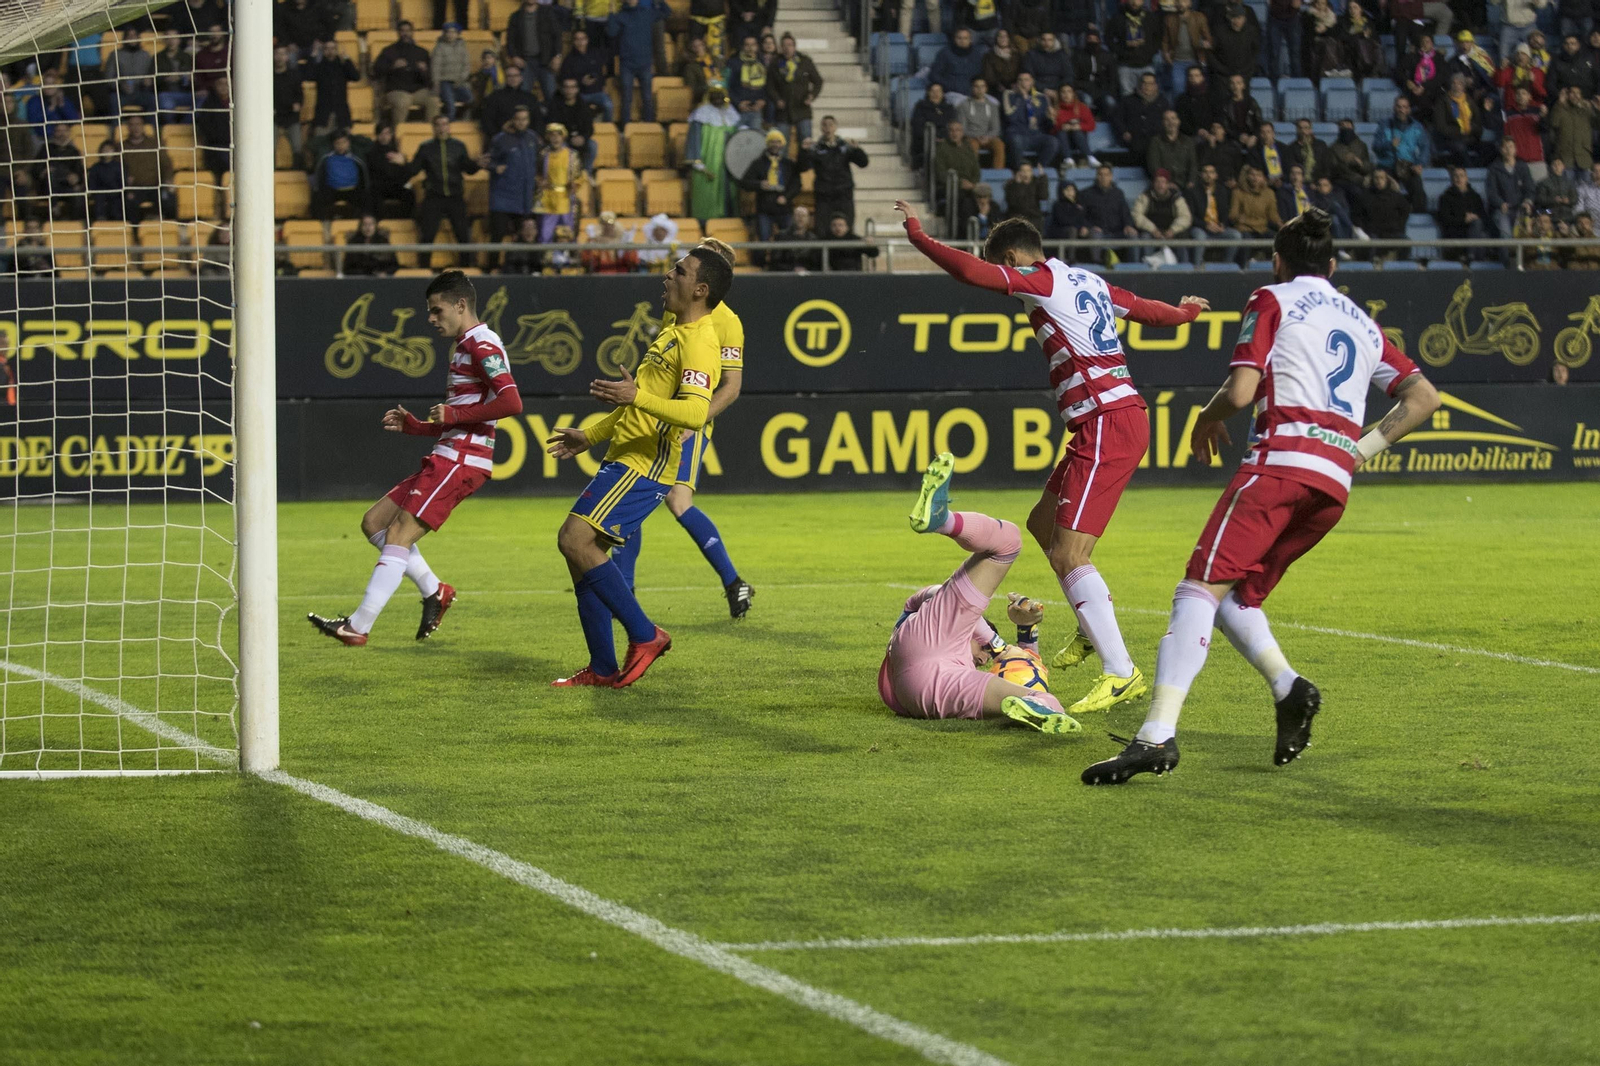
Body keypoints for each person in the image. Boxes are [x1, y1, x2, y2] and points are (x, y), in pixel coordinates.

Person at [1081, 209, 1439, 785]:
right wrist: (1357, 451)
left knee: (1197, 589)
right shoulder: (1365, 325)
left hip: (1278, 468)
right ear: (1334, 264)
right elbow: (1423, 397)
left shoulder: (1271, 298)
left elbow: (1243, 389)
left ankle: (1155, 738)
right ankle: (1289, 689)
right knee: (1237, 597)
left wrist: (1205, 414)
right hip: (1331, 486)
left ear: (1277, 260)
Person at [897, 199, 1209, 716]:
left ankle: (1120, 671)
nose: (1006, 280)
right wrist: (1189, 313)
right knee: (1042, 524)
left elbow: (971, 272)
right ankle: (1092, 626)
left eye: (1007, 267)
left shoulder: (1040, 281)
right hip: (1105, 421)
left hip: (1107, 421)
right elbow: (1155, 313)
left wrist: (918, 236)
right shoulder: (1089, 281)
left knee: (1069, 554)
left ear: (1018, 257)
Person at [545, 249, 735, 686]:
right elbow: (639, 404)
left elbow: (694, 413)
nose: (667, 276)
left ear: (700, 290)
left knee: (573, 539)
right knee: (581, 555)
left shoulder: (701, 341)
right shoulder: (672, 331)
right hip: (626, 455)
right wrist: (590, 436)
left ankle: (646, 635)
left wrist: (636, 398)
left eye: (679, 272)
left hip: (648, 463)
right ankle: (602, 667)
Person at [309, 272, 522, 646]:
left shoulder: (482, 345)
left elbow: (511, 402)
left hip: (462, 460)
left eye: (437, 310)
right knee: (374, 522)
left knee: (398, 533)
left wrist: (452, 417)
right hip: (449, 453)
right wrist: (418, 427)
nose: (431, 318)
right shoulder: (463, 345)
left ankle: (358, 627)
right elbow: (460, 415)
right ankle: (434, 590)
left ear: (460, 305)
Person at [879, 455, 1079, 732]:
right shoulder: (948, 626)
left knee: (1040, 699)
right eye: (983, 650)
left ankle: (945, 521)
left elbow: (1025, 673)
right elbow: (933, 593)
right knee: (1009, 540)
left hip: (921, 688)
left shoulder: (924, 640)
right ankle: (942, 519)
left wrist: (1024, 634)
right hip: (923, 696)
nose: (984, 659)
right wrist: (997, 644)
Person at [611, 238, 756, 613]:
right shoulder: (677, 309)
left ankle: (733, 581)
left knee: (676, 500)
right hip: (655, 417)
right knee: (633, 495)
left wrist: (697, 419)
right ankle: (623, 586)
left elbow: (732, 386)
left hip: (686, 424)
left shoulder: (728, 323)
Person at [407, 114, 483, 268]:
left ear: (449, 127)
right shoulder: (425, 148)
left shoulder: (459, 146)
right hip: (434, 197)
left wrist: (477, 164)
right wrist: (403, 163)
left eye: (445, 124)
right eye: (438, 125)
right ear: (433, 128)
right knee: (427, 236)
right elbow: (413, 169)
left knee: (463, 236)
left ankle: (466, 269)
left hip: (455, 196)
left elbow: (468, 169)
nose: (442, 128)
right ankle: (423, 271)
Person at [488, 105, 542, 269]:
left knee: (527, 237)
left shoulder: (533, 138)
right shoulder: (500, 139)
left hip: (524, 197)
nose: (521, 122)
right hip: (502, 197)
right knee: (497, 236)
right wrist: (494, 167)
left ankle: (526, 269)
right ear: (512, 120)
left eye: (524, 119)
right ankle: (492, 269)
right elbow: (488, 160)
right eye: (518, 119)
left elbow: (539, 161)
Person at [740, 128, 800, 258]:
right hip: (764, 208)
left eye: (778, 142)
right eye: (772, 142)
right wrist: (760, 184)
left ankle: (784, 265)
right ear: (768, 143)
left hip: (784, 208)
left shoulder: (788, 164)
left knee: (787, 241)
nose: (775, 145)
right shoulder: (758, 163)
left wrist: (786, 197)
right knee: (763, 241)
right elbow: (745, 182)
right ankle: (762, 269)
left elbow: (797, 185)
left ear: (782, 144)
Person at [799, 115, 869, 226]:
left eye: (830, 125)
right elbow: (803, 167)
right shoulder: (815, 149)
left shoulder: (845, 147)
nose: (827, 128)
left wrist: (857, 150)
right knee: (823, 228)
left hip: (843, 194)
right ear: (821, 128)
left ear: (835, 127)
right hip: (824, 195)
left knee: (846, 227)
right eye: (824, 125)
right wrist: (803, 151)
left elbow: (863, 163)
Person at [607, 0, 666, 124]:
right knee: (626, 98)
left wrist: (659, 1)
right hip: (627, 64)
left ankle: (649, 125)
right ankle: (625, 128)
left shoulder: (647, 12)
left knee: (647, 98)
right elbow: (611, 32)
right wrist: (611, 13)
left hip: (645, 63)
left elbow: (666, 12)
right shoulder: (621, 16)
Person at [686, 85, 740, 221]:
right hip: (708, 159)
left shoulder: (730, 113)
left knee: (729, 191)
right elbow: (694, 139)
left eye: (720, 96)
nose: (718, 99)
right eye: (714, 96)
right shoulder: (701, 114)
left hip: (728, 160)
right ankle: (706, 223)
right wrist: (696, 160)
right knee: (707, 191)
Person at [374, 21, 439, 131]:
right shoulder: (388, 51)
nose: (405, 33)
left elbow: (430, 80)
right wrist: (392, 66)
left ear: (412, 32)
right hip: (396, 90)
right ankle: (397, 134)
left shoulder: (422, 52)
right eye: (402, 31)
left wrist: (424, 71)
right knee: (403, 101)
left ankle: (431, 134)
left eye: (408, 31)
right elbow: (376, 72)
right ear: (398, 33)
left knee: (433, 100)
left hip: (418, 91)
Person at [1372, 97, 1430, 211]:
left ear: (1409, 109)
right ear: (1394, 108)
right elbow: (1375, 146)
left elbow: (1425, 147)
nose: (1401, 109)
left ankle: (1418, 221)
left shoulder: (1417, 127)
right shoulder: (1384, 125)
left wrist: (1420, 163)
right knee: (1384, 193)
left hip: (1408, 165)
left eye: (1404, 107)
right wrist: (1389, 145)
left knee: (1419, 193)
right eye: (1399, 106)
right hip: (1387, 165)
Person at [534, 121, 586, 241]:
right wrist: (539, 181)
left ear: (563, 137)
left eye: (558, 135)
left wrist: (575, 184)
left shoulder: (572, 155)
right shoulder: (543, 155)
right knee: (545, 232)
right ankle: (546, 257)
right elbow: (536, 174)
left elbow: (579, 175)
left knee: (567, 231)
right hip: (548, 198)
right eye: (552, 135)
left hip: (565, 198)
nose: (555, 138)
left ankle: (566, 257)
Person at [769, 33, 824, 145]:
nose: (787, 48)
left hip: (801, 108)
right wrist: (777, 99)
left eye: (789, 45)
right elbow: (770, 86)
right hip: (783, 111)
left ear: (794, 46)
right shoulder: (775, 63)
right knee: (781, 144)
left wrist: (812, 95)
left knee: (805, 144)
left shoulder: (805, 61)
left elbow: (818, 81)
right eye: (784, 45)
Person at [300, 37, 360, 135]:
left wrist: (347, 59)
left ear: (336, 50)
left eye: (333, 48)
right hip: (323, 113)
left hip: (341, 113)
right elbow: (307, 76)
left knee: (345, 144)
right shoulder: (319, 67)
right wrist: (312, 56)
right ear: (323, 51)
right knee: (321, 143)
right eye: (327, 48)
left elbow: (356, 77)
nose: (330, 51)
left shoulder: (342, 66)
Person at [505, 0, 562, 100]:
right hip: (525, 63)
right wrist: (514, 56)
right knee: (522, 97)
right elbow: (510, 40)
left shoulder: (547, 13)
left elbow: (557, 35)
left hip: (546, 62)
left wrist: (557, 55)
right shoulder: (515, 17)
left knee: (551, 96)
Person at [1080, 162, 1139, 259]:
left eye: (1106, 175)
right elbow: (1081, 216)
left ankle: (1136, 266)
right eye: (1100, 174)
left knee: (1133, 234)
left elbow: (1125, 213)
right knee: (1095, 234)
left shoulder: (1118, 193)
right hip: (1098, 233)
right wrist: (1090, 226)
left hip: (1117, 233)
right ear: (1096, 176)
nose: (1103, 177)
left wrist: (1128, 225)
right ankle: (1096, 264)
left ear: (1111, 176)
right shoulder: (1086, 194)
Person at [1107, 0, 1164, 96]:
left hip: (1146, 64)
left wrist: (1150, 52)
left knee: (1149, 95)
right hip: (1125, 65)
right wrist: (1121, 51)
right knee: (1126, 96)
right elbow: (1108, 38)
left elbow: (1158, 37)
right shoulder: (1118, 17)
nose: (1134, 2)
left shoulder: (1150, 17)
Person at [1003, 71, 1058, 168]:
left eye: (1026, 80)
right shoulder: (1009, 95)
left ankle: (1040, 169)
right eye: (1020, 80)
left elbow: (1047, 125)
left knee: (1052, 141)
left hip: (1036, 135)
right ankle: (1018, 170)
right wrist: (1023, 98)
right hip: (1018, 133)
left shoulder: (1041, 98)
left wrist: (1050, 119)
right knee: (1016, 141)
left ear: (1032, 82)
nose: (1023, 83)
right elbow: (1010, 118)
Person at [311, 129, 369, 220]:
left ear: (348, 142)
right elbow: (311, 144)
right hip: (332, 190)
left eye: (344, 142)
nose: (341, 146)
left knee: (366, 198)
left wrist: (352, 137)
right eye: (338, 143)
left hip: (352, 189)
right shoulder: (326, 154)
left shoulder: (356, 152)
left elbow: (370, 144)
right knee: (317, 199)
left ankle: (361, 225)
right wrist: (328, 136)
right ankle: (320, 227)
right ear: (333, 144)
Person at [545, 78, 601, 172]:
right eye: (566, 87)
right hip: (563, 139)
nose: (569, 90)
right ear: (562, 89)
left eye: (572, 87)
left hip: (580, 138)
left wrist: (583, 137)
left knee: (592, 145)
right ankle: (566, 174)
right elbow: (553, 127)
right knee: (562, 146)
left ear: (577, 89)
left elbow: (589, 128)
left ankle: (587, 174)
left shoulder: (583, 106)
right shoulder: (554, 106)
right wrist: (568, 138)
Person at [1186, 161, 1237, 262]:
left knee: (1235, 235)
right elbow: (1190, 216)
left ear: (1216, 175)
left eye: (1211, 172)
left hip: (1217, 227)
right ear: (1201, 175)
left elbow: (1226, 212)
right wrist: (1206, 225)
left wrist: (1223, 224)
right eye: (1205, 172)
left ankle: (1227, 265)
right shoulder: (1192, 192)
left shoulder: (1222, 191)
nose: (1208, 175)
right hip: (1200, 227)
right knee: (1200, 237)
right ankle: (1197, 267)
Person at [1432, 73, 1487, 167]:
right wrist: (1460, 131)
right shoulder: (1443, 102)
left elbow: (1478, 124)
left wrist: (1471, 129)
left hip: (1470, 137)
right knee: (1460, 148)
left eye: (1459, 84)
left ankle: (1476, 167)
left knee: (1489, 148)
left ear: (1463, 86)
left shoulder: (1470, 101)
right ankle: (1470, 170)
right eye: (1454, 83)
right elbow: (1441, 127)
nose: (1456, 86)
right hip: (1451, 139)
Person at [1116, 71, 1169, 168]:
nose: (1147, 86)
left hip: (1156, 140)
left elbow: (1167, 122)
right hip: (1134, 141)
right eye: (1144, 83)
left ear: (1156, 86)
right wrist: (1124, 132)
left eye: (1150, 83)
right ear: (1140, 84)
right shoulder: (1128, 100)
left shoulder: (1163, 102)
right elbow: (1118, 119)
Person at [1356, 168, 1412, 257]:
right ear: (1372, 180)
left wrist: (1399, 226)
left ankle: (1403, 268)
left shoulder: (1395, 196)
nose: (1379, 181)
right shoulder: (1365, 196)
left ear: (1386, 180)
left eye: (1382, 178)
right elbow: (1358, 215)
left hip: (1392, 233)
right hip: (1373, 233)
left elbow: (1406, 210)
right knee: (1370, 244)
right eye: (1376, 178)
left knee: (1406, 242)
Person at [1487, 135, 1536, 234]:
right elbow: (1491, 192)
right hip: (1502, 210)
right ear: (1501, 150)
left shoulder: (1523, 167)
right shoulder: (1494, 169)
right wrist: (1500, 203)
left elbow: (1530, 188)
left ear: (1515, 149)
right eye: (1505, 147)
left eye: (1511, 146)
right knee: (1506, 234)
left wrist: (1528, 201)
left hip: (1520, 209)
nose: (1508, 150)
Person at [1230, 165, 1281, 259]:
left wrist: (1281, 224)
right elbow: (1233, 214)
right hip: (1245, 228)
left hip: (1262, 228)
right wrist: (1239, 219)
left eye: (1258, 175)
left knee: (1277, 240)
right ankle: (1244, 267)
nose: (1255, 178)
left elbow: (1273, 215)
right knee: (1247, 241)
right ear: (1247, 176)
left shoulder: (1269, 193)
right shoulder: (1238, 192)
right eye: (1252, 174)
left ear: (1263, 178)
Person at [1436, 165, 1487, 259]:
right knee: (1480, 234)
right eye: (1456, 176)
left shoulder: (1475, 197)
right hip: (1455, 233)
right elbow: (1444, 219)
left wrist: (1475, 217)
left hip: (1473, 231)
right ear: (1452, 179)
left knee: (1479, 228)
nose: (1459, 178)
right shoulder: (1445, 198)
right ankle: (1472, 258)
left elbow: (1483, 216)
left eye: (1461, 175)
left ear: (1466, 178)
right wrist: (1464, 219)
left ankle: (1472, 257)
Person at [563, 29, 614, 122]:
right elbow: (565, 78)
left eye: (582, 39)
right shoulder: (569, 59)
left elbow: (601, 72)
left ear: (587, 40)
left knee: (608, 105)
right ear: (574, 41)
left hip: (597, 92)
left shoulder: (595, 54)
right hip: (579, 93)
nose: (580, 42)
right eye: (577, 39)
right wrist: (581, 81)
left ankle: (607, 128)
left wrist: (603, 85)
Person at [935, 119, 982, 218]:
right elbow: (941, 174)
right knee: (966, 203)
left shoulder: (968, 148)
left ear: (962, 132)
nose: (954, 133)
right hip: (951, 187)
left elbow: (976, 170)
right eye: (951, 130)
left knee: (987, 199)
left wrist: (972, 184)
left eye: (958, 130)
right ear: (948, 132)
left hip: (970, 186)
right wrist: (960, 183)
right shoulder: (942, 149)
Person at [1163, 0, 1212, 93]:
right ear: (1175, 3)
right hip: (1177, 61)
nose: (1181, 4)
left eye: (1184, 1)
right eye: (1178, 1)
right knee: (1178, 91)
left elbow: (1208, 38)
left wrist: (1205, 44)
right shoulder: (1169, 19)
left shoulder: (1199, 17)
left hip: (1195, 61)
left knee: (1198, 90)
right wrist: (1166, 54)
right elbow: (1165, 41)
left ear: (1190, 3)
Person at [958, 78, 1006, 168]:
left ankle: (998, 174)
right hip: (971, 137)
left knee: (999, 145)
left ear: (986, 88)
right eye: (977, 86)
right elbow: (962, 128)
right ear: (972, 88)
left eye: (982, 86)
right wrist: (977, 136)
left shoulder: (993, 106)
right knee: (972, 145)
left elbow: (995, 128)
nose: (980, 89)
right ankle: (972, 174)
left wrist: (987, 137)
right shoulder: (963, 105)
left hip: (988, 137)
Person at [929, 28, 986, 102]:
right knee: (961, 103)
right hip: (952, 93)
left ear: (970, 40)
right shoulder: (944, 53)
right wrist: (950, 86)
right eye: (959, 38)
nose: (962, 41)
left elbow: (981, 75)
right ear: (954, 39)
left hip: (974, 92)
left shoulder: (977, 54)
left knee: (994, 103)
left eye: (965, 38)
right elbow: (934, 75)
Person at [726, 37, 770, 129]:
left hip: (756, 108)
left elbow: (768, 85)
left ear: (757, 47)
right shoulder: (733, 63)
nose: (750, 48)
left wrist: (762, 100)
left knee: (754, 136)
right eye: (747, 45)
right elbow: (728, 86)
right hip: (737, 109)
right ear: (743, 47)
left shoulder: (762, 64)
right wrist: (738, 103)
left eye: (753, 45)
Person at [432, 22, 473, 122]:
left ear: (458, 34)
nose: (450, 34)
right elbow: (435, 67)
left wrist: (461, 79)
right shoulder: (439, 48)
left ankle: (465, 120)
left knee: (471, 99)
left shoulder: (463, 48)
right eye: (448, 32)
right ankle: (450, 125)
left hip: (460, 82)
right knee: (450, 105)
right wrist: (436, 83)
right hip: (444, 81)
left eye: (453, 32)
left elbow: (466, 66)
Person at [1145, 109, 1196, 188]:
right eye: (1167, 119)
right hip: (1163, 185)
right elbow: (1154, 166)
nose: (1170, 122)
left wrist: (1191, 182)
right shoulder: (1156, 141)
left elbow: (1193, 165)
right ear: (1163, 123)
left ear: (1178, 121)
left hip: (1185, 185)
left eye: (1173, 118)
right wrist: (1166, 183)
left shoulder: (1188, 141)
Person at [1549, 85, 1595, 169]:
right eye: (1573, 93)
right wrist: (1559, 104)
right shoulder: (1560, 108)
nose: (1576, 95)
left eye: (1578, 93)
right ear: (1567, 95)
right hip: (1565, 158)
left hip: (1584, 159)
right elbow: (1553, 123)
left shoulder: (1585, 109)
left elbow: (1597, 123)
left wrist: (1597, 109)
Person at [910, 83, 959, 160]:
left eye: (938, 91)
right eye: (933, 91)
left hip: (946, 139)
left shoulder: (949, 108)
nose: (936, 94)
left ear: (943, 93)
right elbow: (918, 128)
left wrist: (944, 137)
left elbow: (953, 125)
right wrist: (934, 137)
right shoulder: (921, 107)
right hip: (926, 140)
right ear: (928, 93)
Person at [1053, 85, 1096, 167]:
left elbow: (1092, 125)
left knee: (1077, 131)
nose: (1066, 94)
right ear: (1059, 94)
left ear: (1073, 94)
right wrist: (1061, 126)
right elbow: (1052, 129)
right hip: (1062, 141)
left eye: (1069, 91)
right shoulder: (1055, 108)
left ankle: (1090, 157)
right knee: (1061, 132)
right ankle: (1068, 160)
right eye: (1063, 92)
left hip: (1079, 140)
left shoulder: (1082, 107)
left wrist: (1078, 126)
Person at [1021, 32, 1070, 101]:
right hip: (1037, 90)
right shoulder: (1031, 55)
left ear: (1054, 41)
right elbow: (1028, 76)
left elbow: (1068, 75)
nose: (1046, 43)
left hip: (1059, 90)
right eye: (1044, 40)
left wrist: (1059, 90)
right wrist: (1044, 90)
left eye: (1050, 40)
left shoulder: (1062, 55)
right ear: (1040, 40)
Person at [1174, 66, 1217, 137]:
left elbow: (1217, 115)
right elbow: (1181, 121)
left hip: (1212, 134)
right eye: (1191, 76)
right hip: (1191, 136)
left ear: (1202, 77)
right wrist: (1196, 131)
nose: (1193, 78)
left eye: (1197, 75)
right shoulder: (1182, 99)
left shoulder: (1212, 96)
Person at [1004, 161, 1048, 228]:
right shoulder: (1011, 186)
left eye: (1028, 170)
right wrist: (1018, 185)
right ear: (1018, 172)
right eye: (1023, 171)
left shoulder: (1036, 183)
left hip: (1034, 217)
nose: (1026, 173)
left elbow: (1044, 196)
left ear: (1032, 172)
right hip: (1017, 217)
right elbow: (1013, 203)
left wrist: (1043, 178)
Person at [1536, 154, 1580, 220]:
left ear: (1563, 166)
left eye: (1559, 164)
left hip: (1567, 213)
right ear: (1551, 167)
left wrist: (1568, 201)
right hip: (1550, 212)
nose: (1557, 167)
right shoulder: (1544, 183)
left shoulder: (1570, 182)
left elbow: (1575, 198)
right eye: (1554, 165)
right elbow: (1540, 199)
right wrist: (1553, 200)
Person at [982, 29, 1022, 95]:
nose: (1003, 38)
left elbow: (1021, 70)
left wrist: (1017, 83)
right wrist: (998, 85)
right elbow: (989, 76)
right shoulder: (989, 56)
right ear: (996, 39)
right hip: (997, 89)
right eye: (1000, 36)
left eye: (1005, 36)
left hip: (1016, 87)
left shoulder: (1017, 54)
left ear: (1009, 38)